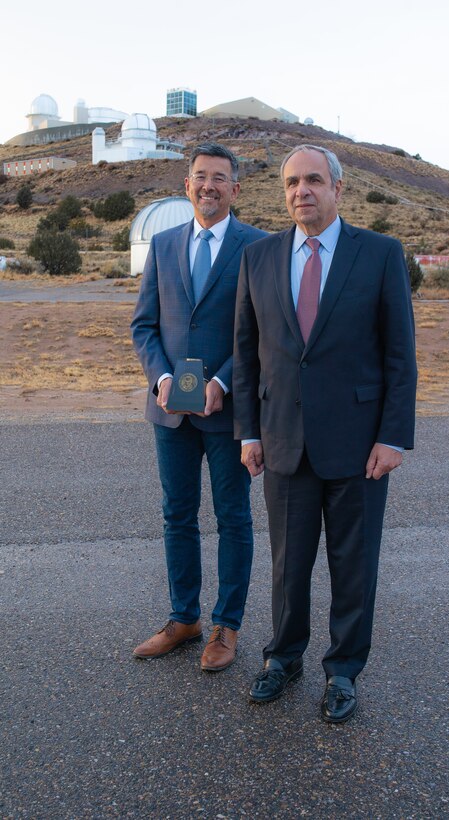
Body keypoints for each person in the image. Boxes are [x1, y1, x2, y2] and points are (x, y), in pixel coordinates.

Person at [233, 144, 417, 721]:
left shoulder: (381, 254)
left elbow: (399, 356)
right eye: (291, 182)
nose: (300, 191)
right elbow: (245, 356)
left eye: (313, 180)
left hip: (360, 446)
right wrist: (248, 433)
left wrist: (393, 437)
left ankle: (342, 671)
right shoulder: (258, 257)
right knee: (288, 563)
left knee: (353, 564)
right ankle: (283, 659)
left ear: (339, 189)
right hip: (282, 439)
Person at [131, 143, 266, 672]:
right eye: (200, 176)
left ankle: (225, 627)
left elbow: (260, 329)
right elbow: (144, 325)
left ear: (235, 189)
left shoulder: (257, 246)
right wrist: (163, 377)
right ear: (186, 184)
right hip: (171, 410)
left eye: (220, 178)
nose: (208, 185)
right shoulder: (163, 245)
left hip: (228, 412)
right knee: (177, 515)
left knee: (233, 518)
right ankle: (183, 618)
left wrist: (226, 382)